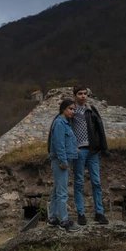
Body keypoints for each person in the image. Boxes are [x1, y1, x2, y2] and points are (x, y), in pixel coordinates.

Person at [70, 85, 109, 225]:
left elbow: (100, 127)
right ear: (74, 95)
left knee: (96, 182)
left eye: (85, 93)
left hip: (92, 150)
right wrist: (72, 148)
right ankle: (81, 213)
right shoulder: (71, 111)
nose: (83, 96)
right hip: (79, 151)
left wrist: (101, 146)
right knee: (79, 182)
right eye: (80, 93)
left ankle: (99, 212)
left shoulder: (91, 110)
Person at [47, 98, 81, 232]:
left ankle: (52, 218)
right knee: (62, 192)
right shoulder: (60, 123)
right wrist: (63, 161)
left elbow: (67, 142)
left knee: (56, 191)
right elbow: (59, 144)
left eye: (74, 109)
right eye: (70, 109)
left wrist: (74, 149)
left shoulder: (65, 123)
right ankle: (64, 221)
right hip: (60, 161)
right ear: (63, 109)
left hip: (64, 159)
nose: (73, 111)